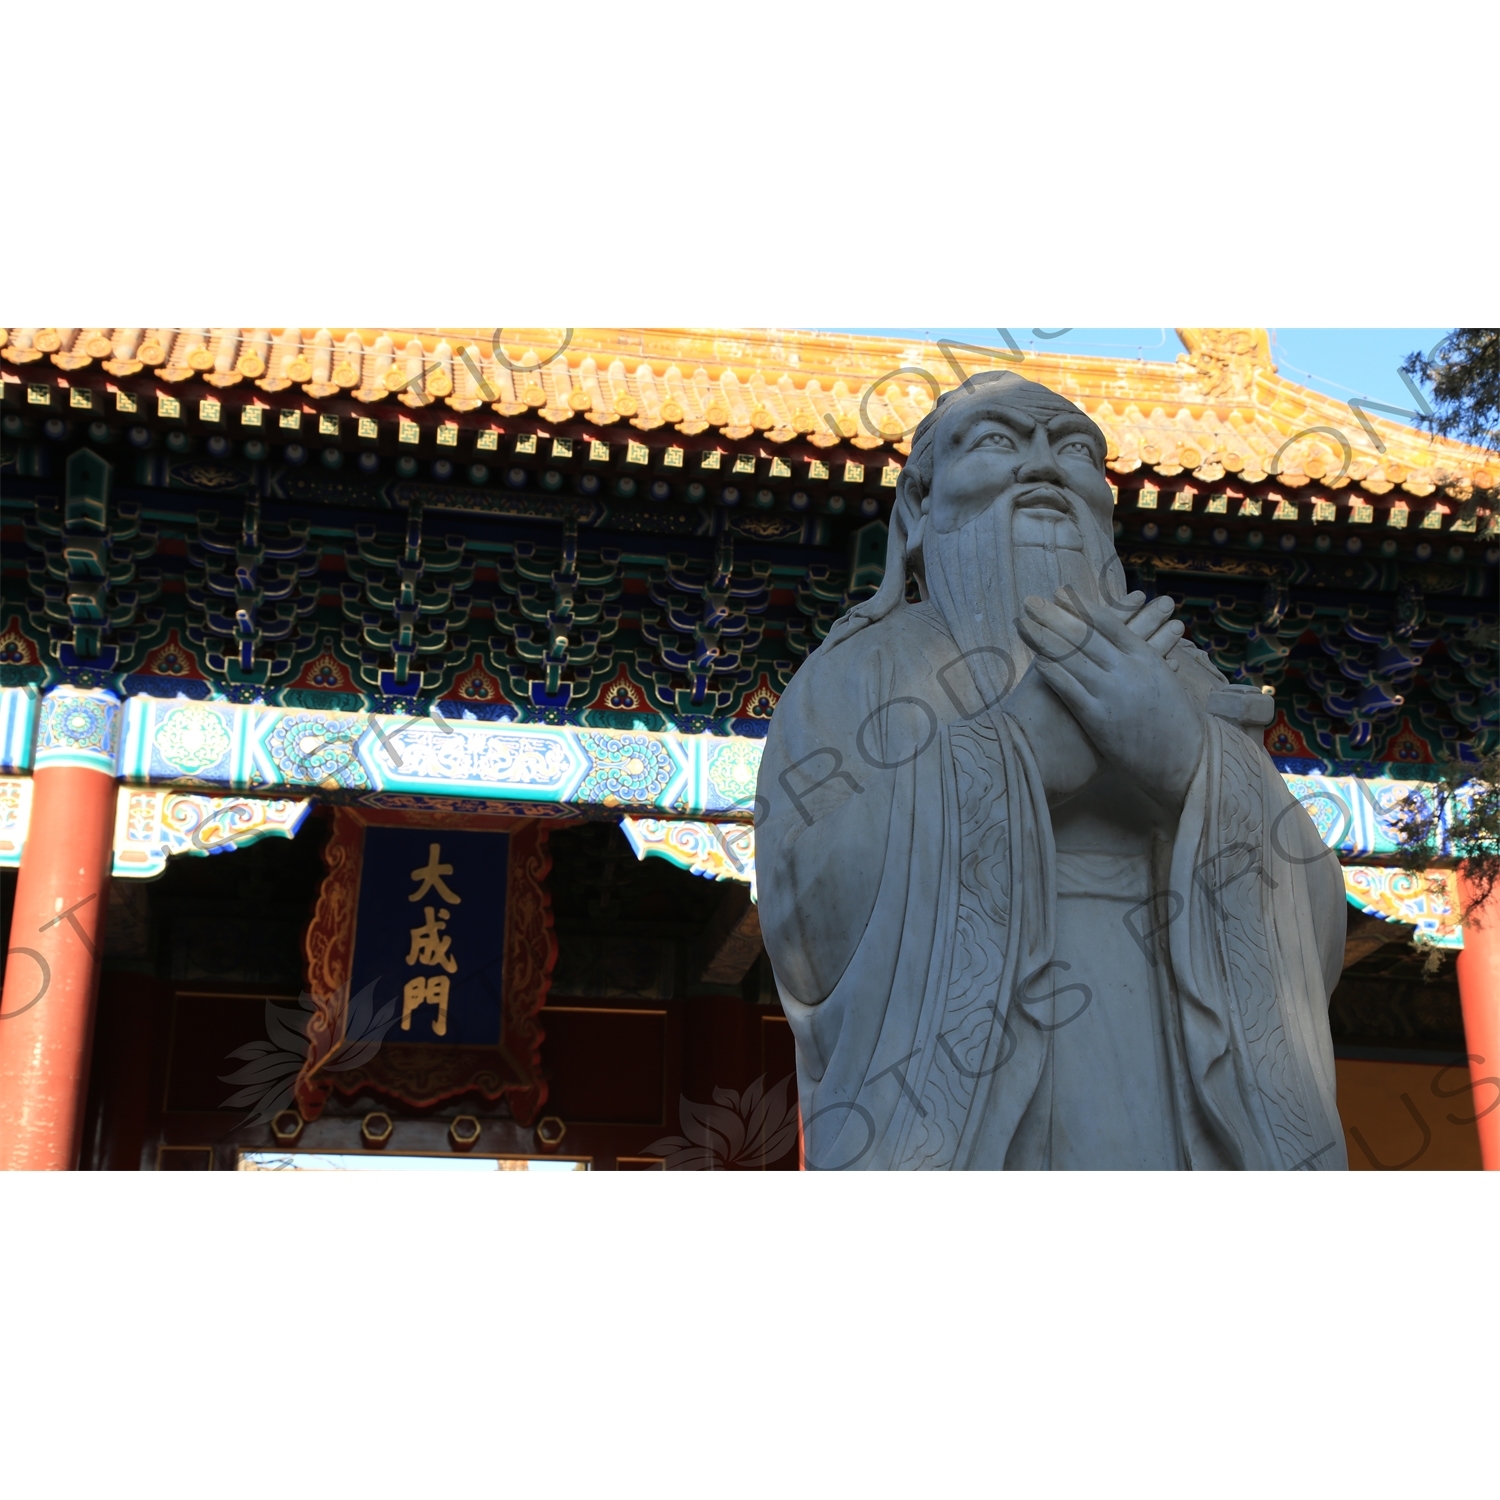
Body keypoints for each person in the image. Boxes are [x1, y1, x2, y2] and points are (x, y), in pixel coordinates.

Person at [755, 371, 1347, 1169]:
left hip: (1174, 1102)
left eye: (1074, 452)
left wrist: (1188, 758)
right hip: (969, 1113)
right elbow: (805, 912)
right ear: (922, 510)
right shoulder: (863, 672)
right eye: (997, 441)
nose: (1043, 467)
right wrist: (1020, 751)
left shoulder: (1183, 676)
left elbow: (1310, 914)